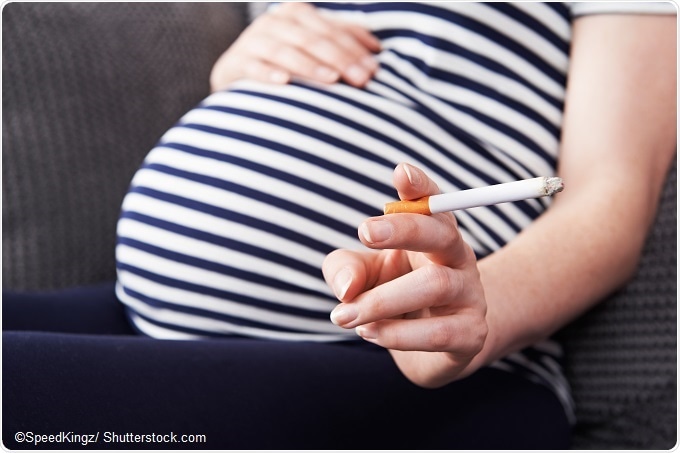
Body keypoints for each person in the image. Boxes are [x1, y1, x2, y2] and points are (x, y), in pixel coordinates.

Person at [4, 2, 676, 449]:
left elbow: (608, 201)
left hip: (450, 376)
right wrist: (238, 70)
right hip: (154, 311)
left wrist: (472, 315)